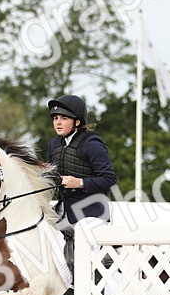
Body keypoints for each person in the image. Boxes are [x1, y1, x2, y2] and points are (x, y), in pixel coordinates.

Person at [46, 94, 117, 226]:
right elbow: (51, 176)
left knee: (83, 235)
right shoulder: (53, 144)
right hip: (64, 211)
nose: (58, 122)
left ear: (77, 122)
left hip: (92, 214)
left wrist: (79, 182)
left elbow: (110, 180)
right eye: (55, 118)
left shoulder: (91, 143)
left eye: (64, 118)